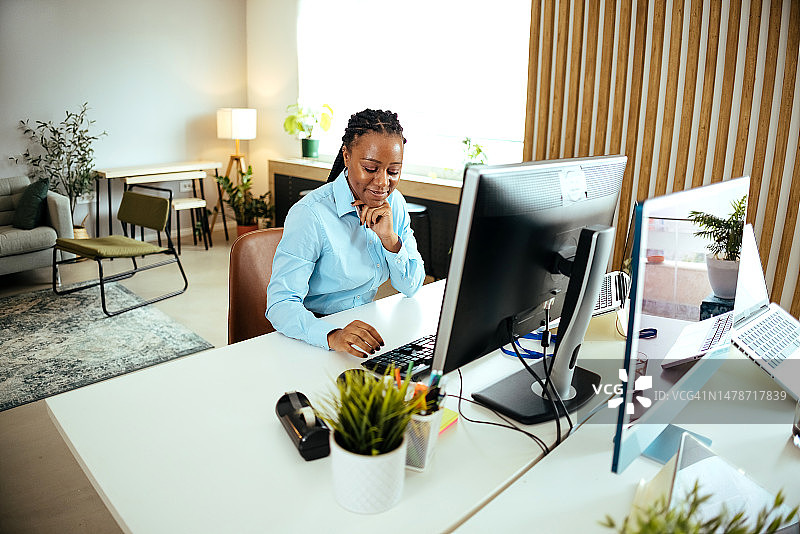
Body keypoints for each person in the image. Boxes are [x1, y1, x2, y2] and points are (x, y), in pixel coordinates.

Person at [266, 109, 426, 357]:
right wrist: (332, 335)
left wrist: (390, 240)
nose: (383, 182)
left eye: (393, 171)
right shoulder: (311, 214)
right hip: (315, 336)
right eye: (371, 168)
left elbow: (412, 286)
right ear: (347, 155)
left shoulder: (395, 204)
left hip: (364, 331)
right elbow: (280, 304)